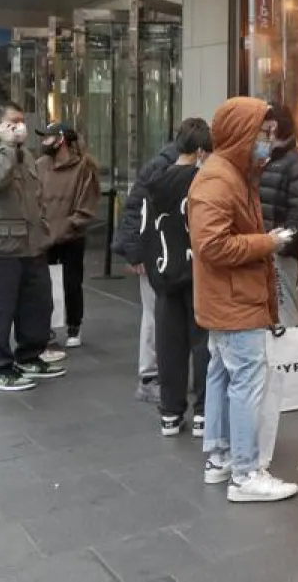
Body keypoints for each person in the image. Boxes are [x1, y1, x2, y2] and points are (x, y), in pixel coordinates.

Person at [189, 96, 298, 503]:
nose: (268, 141)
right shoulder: (220, 179)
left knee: (222, 375)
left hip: (229, 299)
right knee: (246, 383)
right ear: (240, 134)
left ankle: (222, 459)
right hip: (235, 301)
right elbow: (212, 245)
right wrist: (267, 243)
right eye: (262, 133)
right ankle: (246, 472)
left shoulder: (232, 173)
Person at [0, 101, 63, 393]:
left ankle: (30, 356)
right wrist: (7, 146)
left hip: (31, 243)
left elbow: (36, 195)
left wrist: (44, 226)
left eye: (21, 121)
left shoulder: (27, 154)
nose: (19, 126)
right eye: (12, 122)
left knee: (37, 304)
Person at [142, 118, 213, 438]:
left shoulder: (156, 181)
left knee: (169, 344)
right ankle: (203, 413)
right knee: (203, 344)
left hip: (164, 271)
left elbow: (145, 229)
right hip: (197, 272)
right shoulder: (202, 181)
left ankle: (170, 413)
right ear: (201, 151)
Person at [116, 132, 189, 405]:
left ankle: (158, 375)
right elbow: (135, 209)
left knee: (159, 313)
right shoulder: (161, 168)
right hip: (155, 252)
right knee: (154, 313)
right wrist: (135, 253)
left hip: (163, 251)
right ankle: (149, 377)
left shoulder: (166, 165)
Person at [36, 123, 100, 349]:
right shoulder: (40, 165)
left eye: (48, 137)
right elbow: (33, 198)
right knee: (44, 284)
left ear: (61, 139)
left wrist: (68, 226)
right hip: (44, 235)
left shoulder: (84, 167)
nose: (44, 142)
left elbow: (86, 207)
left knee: (72, 283)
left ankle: (74, 325)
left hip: (71, 236)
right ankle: (47, 327)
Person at [260, 103, 298, 328]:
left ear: (273, 127)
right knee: (275, 311)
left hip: (281, 252)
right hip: (267, 248)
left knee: (285, 311)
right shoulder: (271, 161)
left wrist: (278, 243)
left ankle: (290, 350)